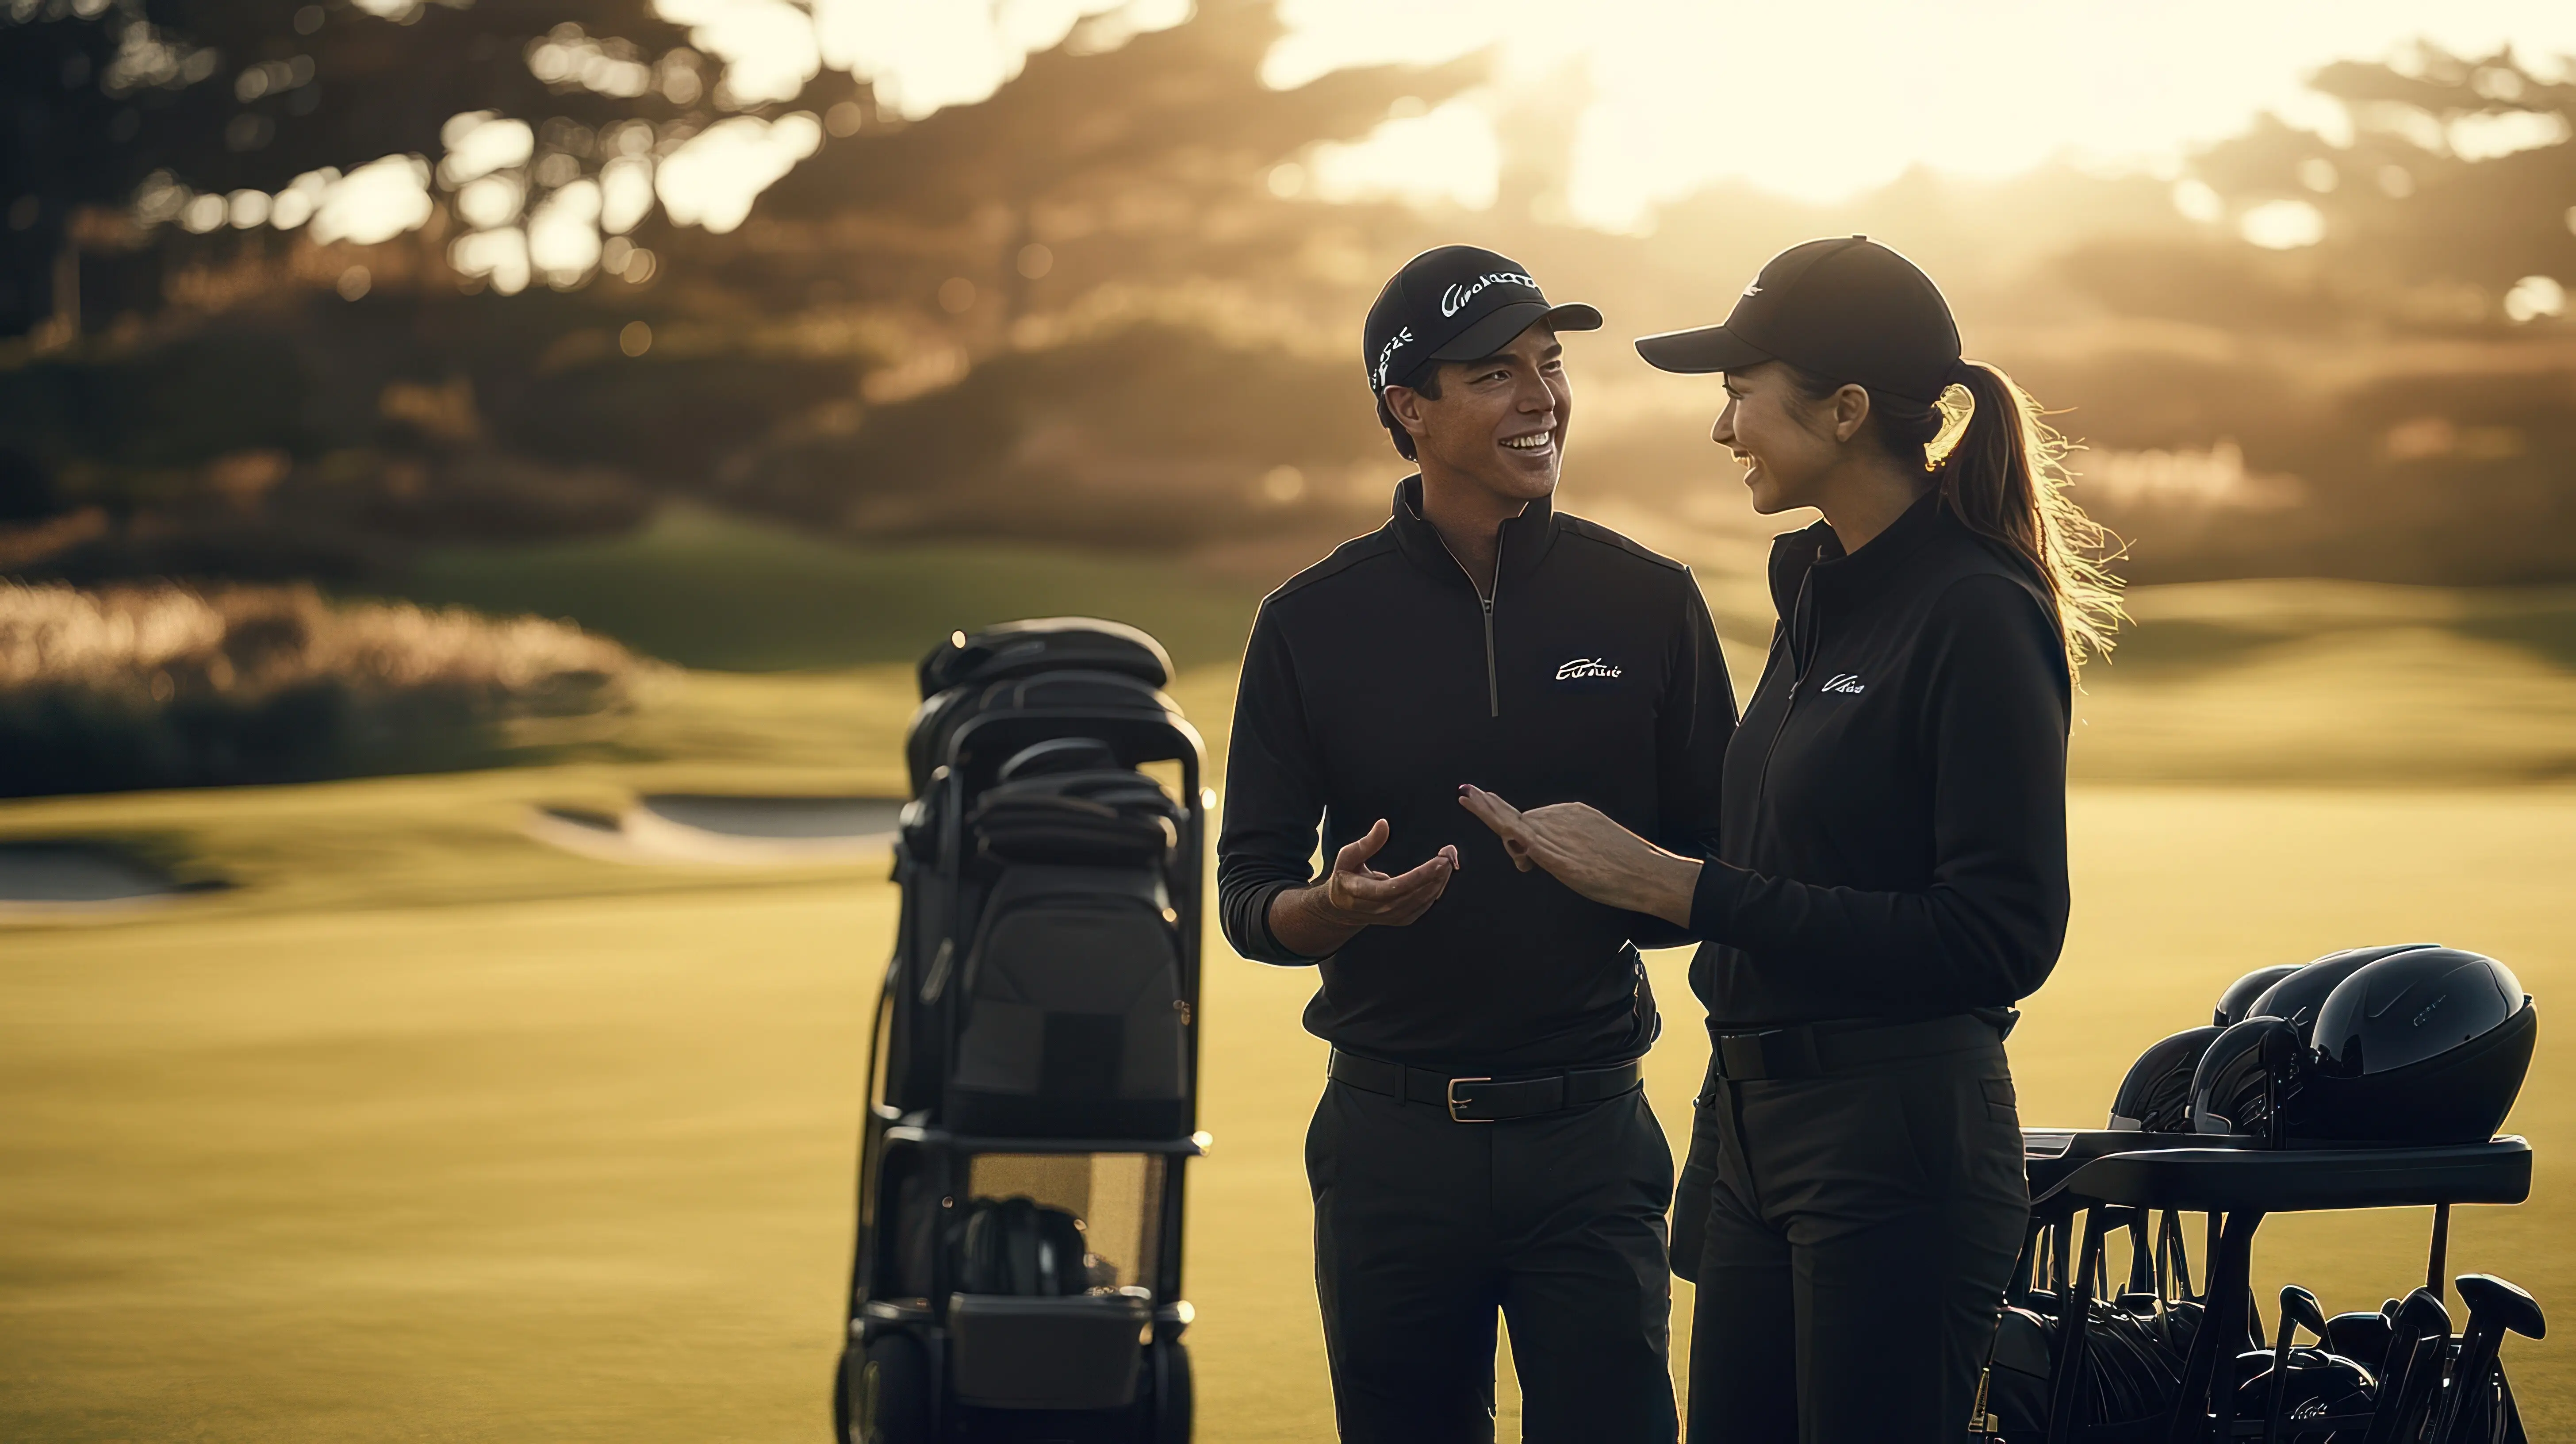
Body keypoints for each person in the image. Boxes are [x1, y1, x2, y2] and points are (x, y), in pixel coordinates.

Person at [1458, 236, 2124, 1443]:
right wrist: (1598, 872)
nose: (1723, 428)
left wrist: (1682, 886)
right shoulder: (1820, 590)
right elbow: (1773, 866)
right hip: (1758, 1117)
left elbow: (2000, 936)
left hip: (1896, 1134)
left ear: (1847, 409)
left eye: (1739, 392)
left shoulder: (1975, 612)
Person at [1217, 244, 1737, 1444]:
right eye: (1497, 374)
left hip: (1591, 1139)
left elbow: (1726, 871)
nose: (1542, 399)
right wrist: (1330, 910)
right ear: (1409, 407)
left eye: (1550, 367)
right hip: (1390, 1149)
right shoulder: (1309, 622)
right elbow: (1250, 894)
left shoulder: (1650, 601)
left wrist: (1623, 879)